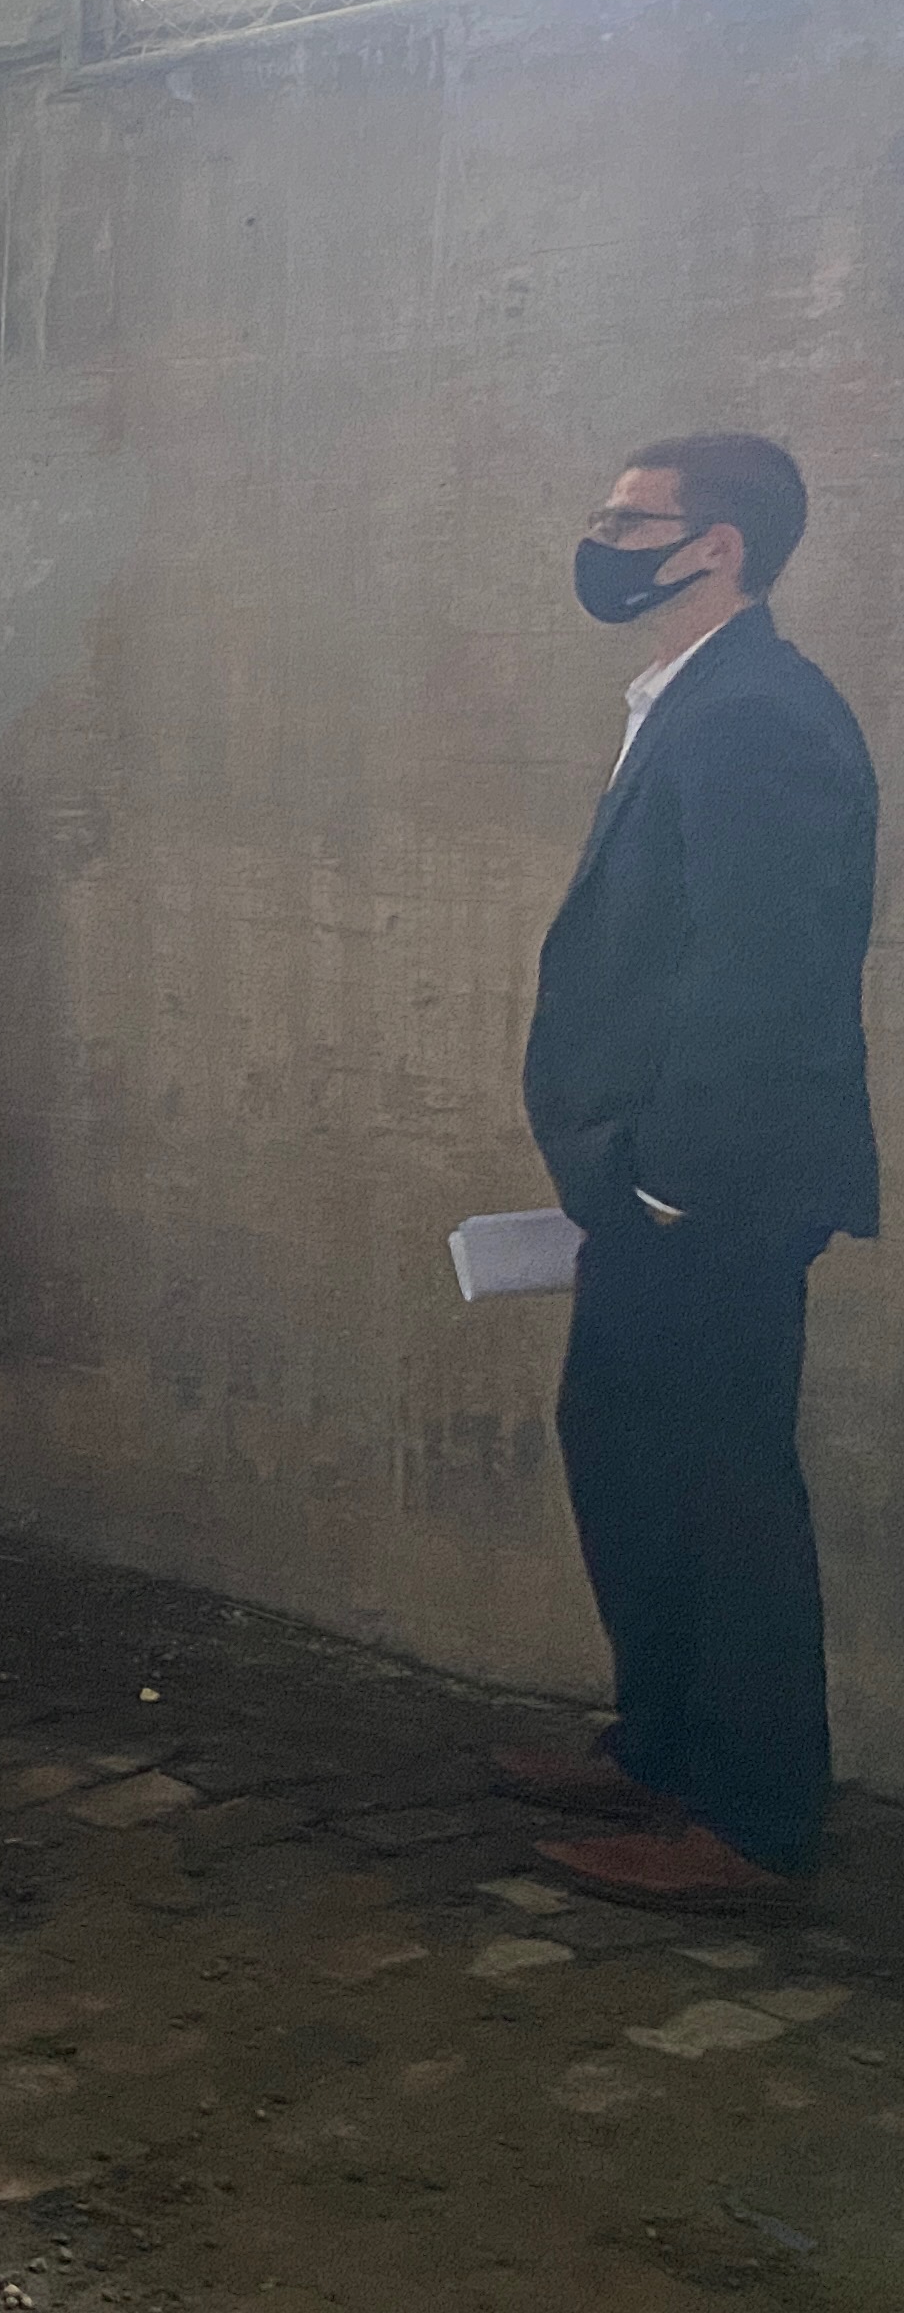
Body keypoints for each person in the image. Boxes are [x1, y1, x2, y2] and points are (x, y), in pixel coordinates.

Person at [510, 432, 874, 1909]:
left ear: (716, 545)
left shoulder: (757, 717)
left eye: (628, 518)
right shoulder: (690, 701)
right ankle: (660, 1746)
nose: (599, 538)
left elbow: (766, 976)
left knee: (722, 1489)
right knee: (629, 1454)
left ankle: (751, 1816)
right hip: (649, 1179)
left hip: (706, 1187)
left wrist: (667, 1180)